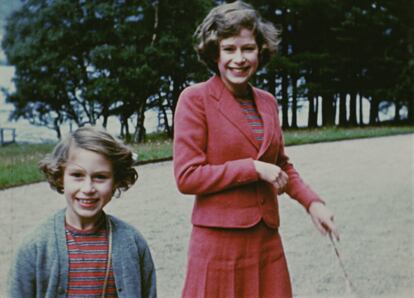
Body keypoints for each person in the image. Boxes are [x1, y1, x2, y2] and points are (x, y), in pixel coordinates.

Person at [173, 1, 339, 297]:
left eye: (248, 48)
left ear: (260, 52)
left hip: (265, 241)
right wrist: (252, 168)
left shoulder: (267, 102)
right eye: (229, 49)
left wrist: (313, 203)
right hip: (219, 245)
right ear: (215, 52)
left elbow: (282, 165)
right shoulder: (194, 99)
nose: (239, 58)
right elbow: (188, 176)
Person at [8, 126, 157, 298]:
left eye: (100, 177)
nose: (88, 188)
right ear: (60, 177)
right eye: (77, 175)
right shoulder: (35, 247)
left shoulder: (132, 243)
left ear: (116, 180)